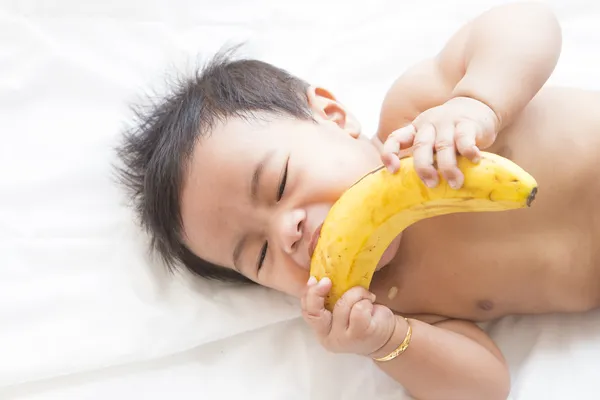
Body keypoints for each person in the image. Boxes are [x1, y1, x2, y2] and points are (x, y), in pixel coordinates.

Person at [116, 2, 600, 399]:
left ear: (333, 115)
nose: (286, 232)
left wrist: (477, 101)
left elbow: (528, 22)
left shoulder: (420, 115)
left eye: (280, 183)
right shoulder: (399, 303)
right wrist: (388, 343)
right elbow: (483, 389)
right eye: (260, 255)